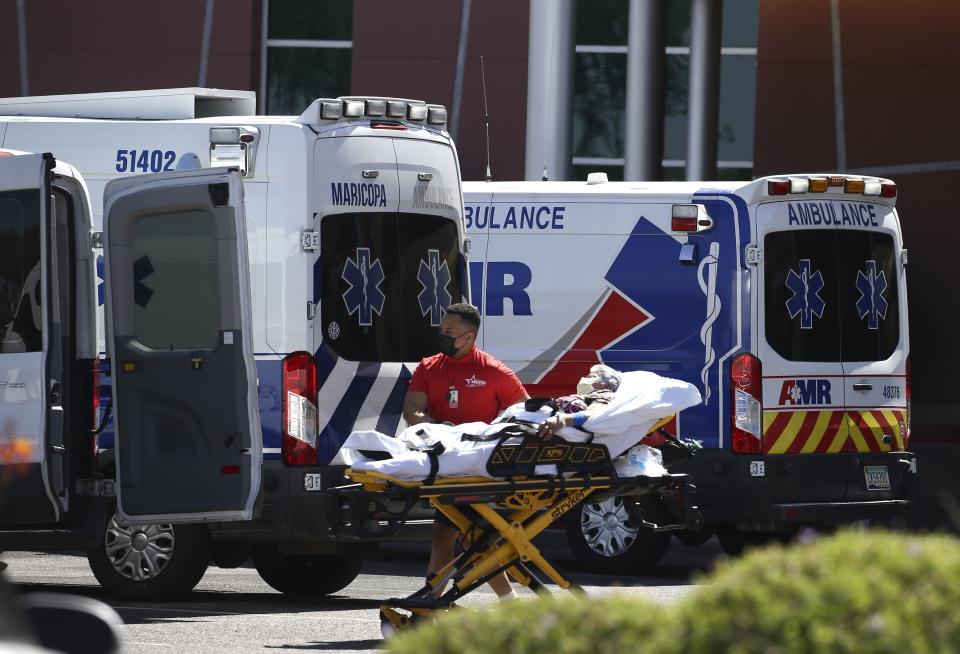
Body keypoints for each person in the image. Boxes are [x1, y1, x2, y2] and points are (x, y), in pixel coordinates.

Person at [403, 303, 529, 601]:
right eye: (441, 330)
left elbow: (525, 411)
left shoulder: (494, 371)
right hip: (445, 465)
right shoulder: (428, 367)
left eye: (449, 332)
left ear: (469, 337)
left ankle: (432, 602)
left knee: (469, 537)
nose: (442, 335)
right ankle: (436, 602)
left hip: (478, 468)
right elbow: (411, 411)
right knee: (457, 537)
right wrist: (438, 426)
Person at [536, 363, 623, 439]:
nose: (584, 379)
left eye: (591, 377)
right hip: (542, 416)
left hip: (551, 422)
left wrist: (563, 420)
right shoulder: (584, 396)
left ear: (607, 384)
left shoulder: (605, 393)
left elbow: (594, 414)